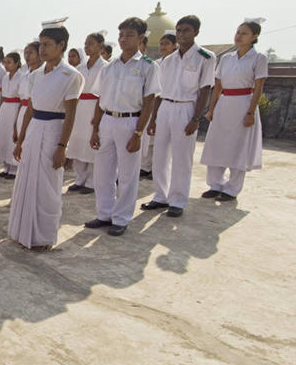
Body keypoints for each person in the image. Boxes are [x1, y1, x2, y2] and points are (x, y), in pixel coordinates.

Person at [8, 18, 83, 250]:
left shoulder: (71, 76)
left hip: (53, 131)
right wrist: (20, 140)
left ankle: (43, 237)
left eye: (48, 44)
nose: (42, 49)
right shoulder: (35, 75)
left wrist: (63, 146)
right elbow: (30, 109)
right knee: (27, 180)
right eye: (41, 44)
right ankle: (23, 232)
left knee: (47, 187)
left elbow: (70, 115)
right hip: (34, 130)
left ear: (62, 46)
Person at [84, 17, 160, 236]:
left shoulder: (148, 66)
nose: (123, 39)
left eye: (129, 35)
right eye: (121, 35)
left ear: (141, 38)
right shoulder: (110, 67)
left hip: (130, 121)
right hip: (107, 119)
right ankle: (104, 213)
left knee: (127, 174)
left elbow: (149, 101)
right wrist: (95, 128)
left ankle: (122, 217)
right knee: (102, 172)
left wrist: (138, 132)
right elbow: (100, 99)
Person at [142, 15, 216, 218]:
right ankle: (160, 196)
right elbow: (159, 92)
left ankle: (178, 200)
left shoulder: (205, 57)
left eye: (186, 30)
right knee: (159, 155)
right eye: (179, 30)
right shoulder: (167, 61)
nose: (181, 34)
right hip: (165, 106)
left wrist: (196, 119)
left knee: (182, 157)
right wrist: (154, 118)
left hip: (186, 108)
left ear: (196, 33)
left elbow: (205, 90)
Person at [200, 19, 268, 201]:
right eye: (238, 32)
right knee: (217, 143)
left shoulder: (259, 58)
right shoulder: (226, 58)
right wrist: (212, 108)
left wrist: (250, 112)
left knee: (239, 146)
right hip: (224, 103)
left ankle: (232, 189)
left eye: (244, 33)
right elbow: (218, 85)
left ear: (254, 36)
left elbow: (259, 86)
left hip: (243, 103)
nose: (239, 36)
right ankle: (215, 184)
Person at [66, 31, 108, 194]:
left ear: (100, 46)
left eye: (91, 43)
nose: (87, 47)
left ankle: (91, 181)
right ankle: (80, 178)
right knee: (77, 143)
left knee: (92, 145)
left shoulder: (106, 67)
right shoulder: (80, 68)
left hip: (95, 106)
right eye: (86, 44)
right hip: (80, 107)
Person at [140, 30, 177, 179]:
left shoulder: (177, 63)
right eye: (161, 43)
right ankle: (146, 166)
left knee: (163, 140)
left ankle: (158, 169)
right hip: (154, 102)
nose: (163, 46)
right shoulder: (156, 64)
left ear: (175, 45)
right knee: (150, 136)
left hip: (169, 102)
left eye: (166, 44)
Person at [0, 49, 27, 179]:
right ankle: (6, 166)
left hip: (15, 107)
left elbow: (21, 97)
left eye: (9, 62)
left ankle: (14, 168)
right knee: (3, 136)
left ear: (17, 63)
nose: (6, 65)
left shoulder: (22, 77)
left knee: (12, 136)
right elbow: (3, 96)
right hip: (5, 107)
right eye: (5, 62)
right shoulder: (5, 77)